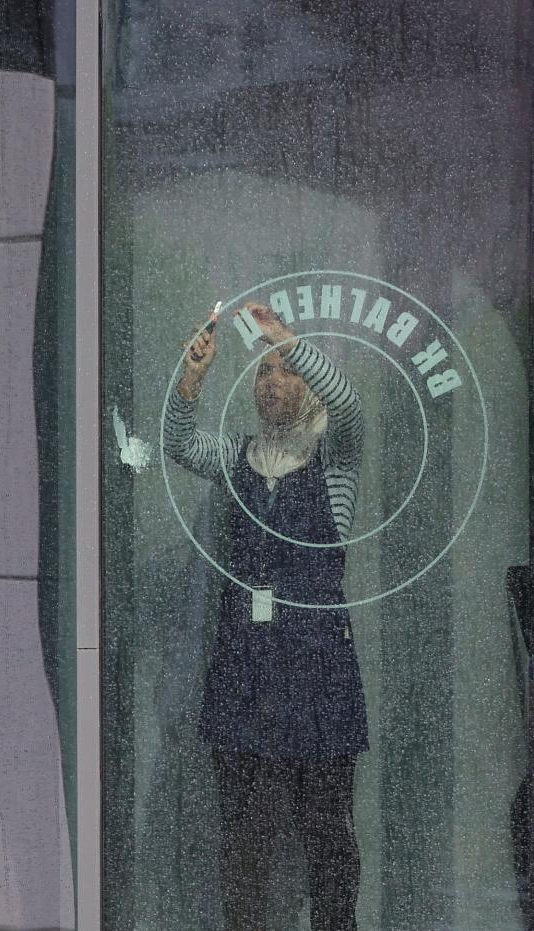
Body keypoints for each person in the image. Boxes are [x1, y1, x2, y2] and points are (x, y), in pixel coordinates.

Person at [162, 303, 367, 931]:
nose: (270, 382)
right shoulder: (239, 457)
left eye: (283, 371)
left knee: (326, 833)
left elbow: (352, 408)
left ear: (307, 384)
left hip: (318, 673)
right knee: (243, 840)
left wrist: (288, 339)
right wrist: (190, 381)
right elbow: (177, 444)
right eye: (261, 373)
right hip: (244, 673)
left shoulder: (335, 463)